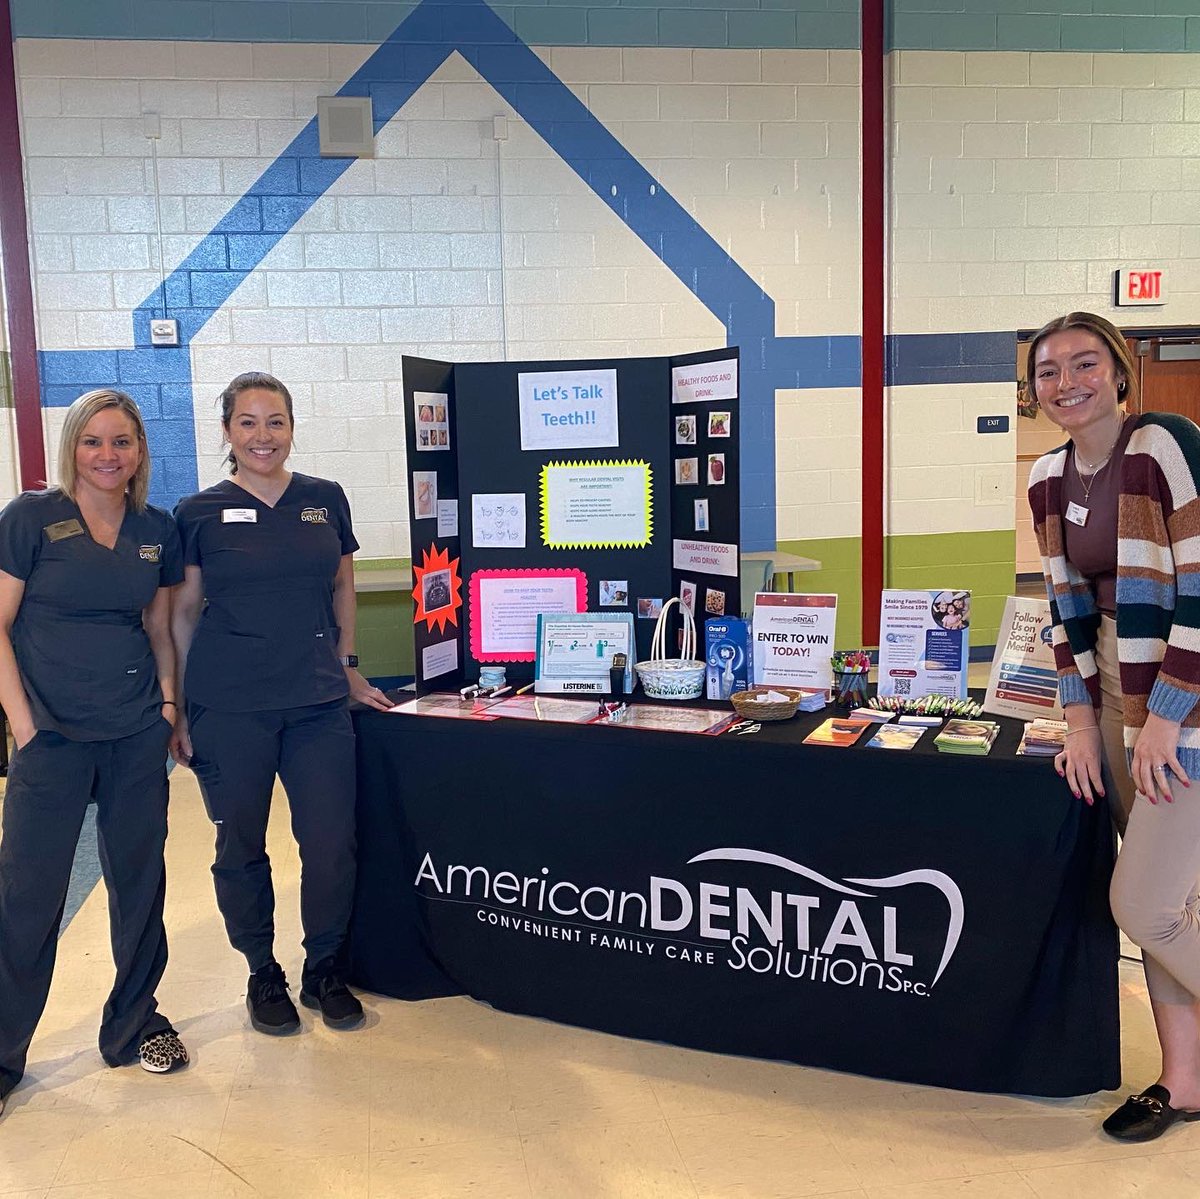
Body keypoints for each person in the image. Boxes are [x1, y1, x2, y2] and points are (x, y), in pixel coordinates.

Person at [170, 371, 391, 1037]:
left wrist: (348, 666)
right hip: (229, 705)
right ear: (228, 432)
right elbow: (181, 612)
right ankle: (261, 968)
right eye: (248, 422)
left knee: (330, 842)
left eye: (275, 421)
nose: (263, 436)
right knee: (240, 841)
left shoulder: (325, 499)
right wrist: (178, 705)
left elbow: (344, 586)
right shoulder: (197, 512)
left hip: (318, 701)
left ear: (292, 427)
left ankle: (322, 966)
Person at [1028, 311, 1200, 1142]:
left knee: (1145, 905)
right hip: (1110, 698)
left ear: (1120, 369)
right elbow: (1064, 613)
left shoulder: (1162, 444)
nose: (1068, 382)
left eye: (1085, 362)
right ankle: (1184, 1082)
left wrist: (1167, 714)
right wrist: (1081, 723)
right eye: (1049, 371)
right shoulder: (1046, 477)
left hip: (1183, 699)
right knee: (1179, 901)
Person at [0, 390, 188, 1117]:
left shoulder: (156, 529)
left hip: (136, 731)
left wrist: (168, 705)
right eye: (94, 442)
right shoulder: (30, 519)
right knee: (28, 895)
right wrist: (24, 726)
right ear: (73, 446)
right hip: (51, 739)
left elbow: (160, 622)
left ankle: (134, 1022)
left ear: (141, 450)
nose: (109, 455)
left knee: (140, 881)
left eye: (124, 441)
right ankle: (5, 1049)